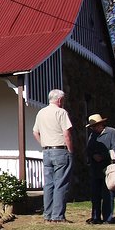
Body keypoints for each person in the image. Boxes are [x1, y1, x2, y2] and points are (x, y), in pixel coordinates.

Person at [33, 89, 74, 223]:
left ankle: (47, 214)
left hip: (47, 151)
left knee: (48, 184)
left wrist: (44, 145)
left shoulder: (41, 112)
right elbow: (67, 134)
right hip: (60, 150)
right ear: (60, 100)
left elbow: (35, 132)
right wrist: (70, 151)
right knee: (60, 183)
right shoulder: (61, 112)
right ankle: (57, 216)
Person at [85, 114, 115, 224]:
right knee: (95, 194)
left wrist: (104, 156)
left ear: (101, 124)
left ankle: (108, 218)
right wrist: (93, 156)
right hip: (95, 168)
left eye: (96, 125)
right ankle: (95, 217)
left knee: (108, 193)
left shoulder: (111, 132)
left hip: (108, 167)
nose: (94, 128)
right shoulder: (92, 135)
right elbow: (89, 149)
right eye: (92, 126)